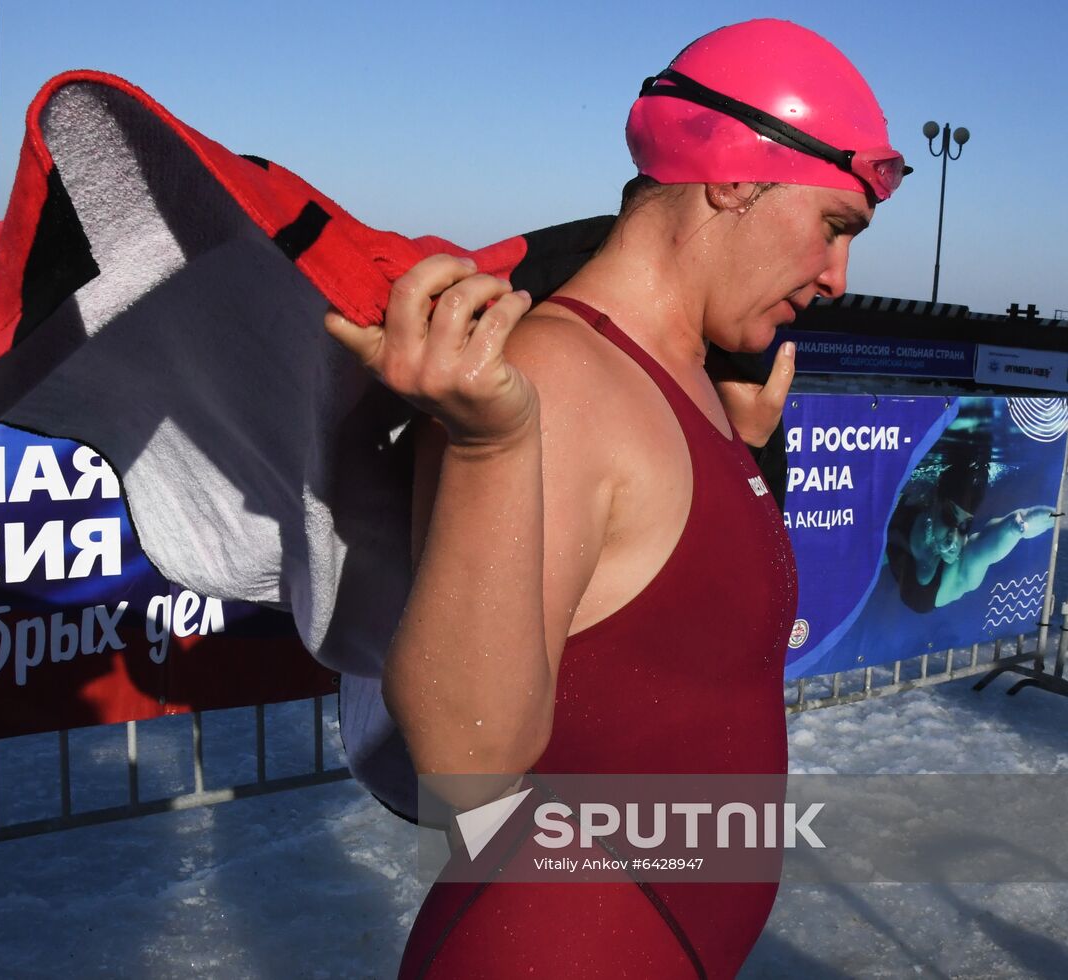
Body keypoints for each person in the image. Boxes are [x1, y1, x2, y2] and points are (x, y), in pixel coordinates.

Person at [325, 19, 906, 979]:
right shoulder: (551, 377)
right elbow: (470, 773)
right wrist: (488, 446)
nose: (840, 277)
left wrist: (742, 459)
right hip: (555, 946)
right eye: (835, 227)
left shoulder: (685, 381)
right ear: (732, 174)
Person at [886, 440, 1055, 612]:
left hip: (924, 594)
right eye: (948, 518)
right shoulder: (911, 501)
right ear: (933, 504)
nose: (953, 538)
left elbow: (982, 551)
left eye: (964, 527)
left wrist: (1016, 527)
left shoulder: (954, 574)